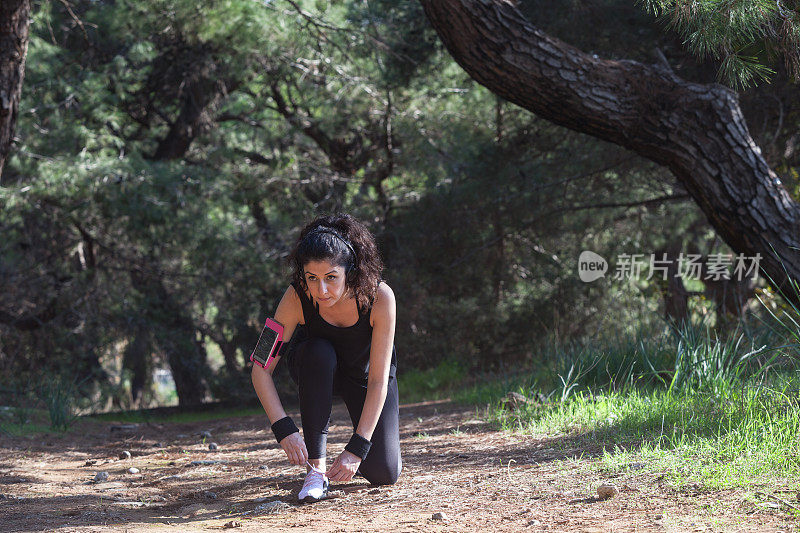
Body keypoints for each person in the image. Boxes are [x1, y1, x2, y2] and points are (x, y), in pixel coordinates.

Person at [251, 213, 401, 503]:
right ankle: (315, 472)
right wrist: (283, 428)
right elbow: (260, 367)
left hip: (365, 377)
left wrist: (357, 447)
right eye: (312, 278)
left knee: (384, 473)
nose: (321, 290)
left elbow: (379, 380)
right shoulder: (295, 297)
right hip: (316, 370)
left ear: (352, 272)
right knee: (318, 351)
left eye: (331, 278)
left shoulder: (381, 298)